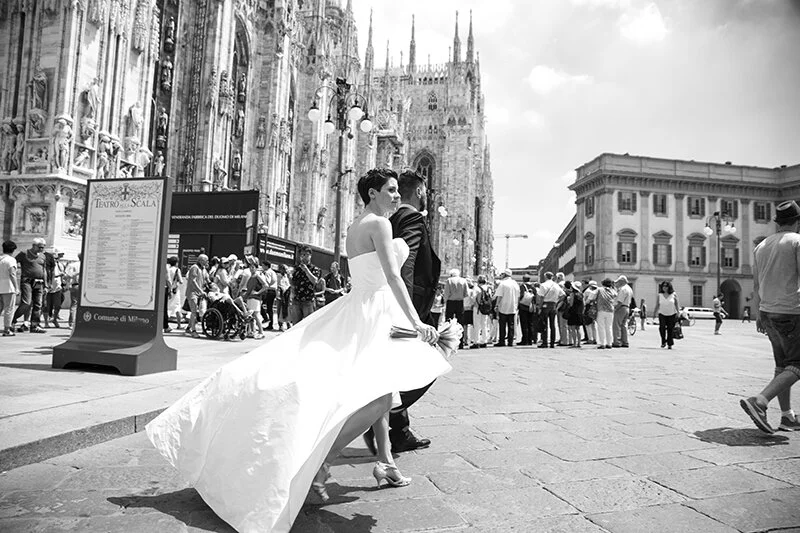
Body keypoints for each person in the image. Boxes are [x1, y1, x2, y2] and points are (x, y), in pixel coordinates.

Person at [146, 168, 450, 532]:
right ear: (372, 193)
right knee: (381, 396)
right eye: (391, 190)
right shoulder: (381, 225)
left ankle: (385, 462)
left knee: (380, 390)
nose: (397, 196)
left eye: (399, 190)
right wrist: (416, 321)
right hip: (377, 312)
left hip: (360, 308)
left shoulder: (354, 227)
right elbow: (393, 276)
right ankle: (323, 461)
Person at [380, 168, 442, 454]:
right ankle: (382, 409)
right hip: (409, 305)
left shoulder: (389, 219)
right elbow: (405, 260)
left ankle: (398, 431)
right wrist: (408, 315)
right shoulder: (413, 218)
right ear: (418, 191)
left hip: (394, 302)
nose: (426, 195)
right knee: (433, 360)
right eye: (425, 191)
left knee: (396, 366)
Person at [740, 200, 800, 434]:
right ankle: (760, 401)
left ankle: (787, 416)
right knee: (797, 364)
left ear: (777, 222)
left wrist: (758, 314)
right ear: (797, 221)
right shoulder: (796, 242)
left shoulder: (762, 245)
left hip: (767, 312)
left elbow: (756, 285)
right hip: (791, 311)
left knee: (782, 365)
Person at [12, 238, 48, 333]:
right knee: (26, 303)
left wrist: (46, 284)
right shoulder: (24, 254)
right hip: (27, 281)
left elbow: (44, 270)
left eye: (43, 247)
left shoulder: (43, 256)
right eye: (40, 247)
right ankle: (13, 320)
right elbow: (13, 263)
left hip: (39, 282)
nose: (41, 249)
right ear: (34, 246)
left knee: (38, 304)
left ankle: (34, 325)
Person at [291, 245, 321, 323]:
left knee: (308, 324)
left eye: (306, 255)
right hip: (296, 300)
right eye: (302, 255)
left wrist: (306, 270)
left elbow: (315, 281)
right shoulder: (297, 268)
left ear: (310, 255)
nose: (303, 257)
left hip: (308, 300)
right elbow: (293, 283)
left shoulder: (315, 269)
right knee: (296, 324)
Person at [537, 271, 563, 348]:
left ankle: (545, 342)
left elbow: (541, 297)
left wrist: (539, 307)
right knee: (552, 325)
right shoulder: (556, 285)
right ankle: (552, 343)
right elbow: (563, 295)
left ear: (545, 277)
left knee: (544, 324)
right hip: (553, 305)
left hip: (545, 305)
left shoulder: (543, 285)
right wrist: (557, 301)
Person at [185, 254, 209, 337]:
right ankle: (193, 331)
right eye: (206, 260)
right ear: (201, 260)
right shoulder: (194, 268)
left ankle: (188, 328)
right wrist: (201, 291)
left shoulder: (203, 269)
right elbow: (193, 281)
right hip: (192, 293)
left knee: (195, 311)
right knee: (194, 312)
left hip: (199, 293)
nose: (207, 262)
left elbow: (207, 279)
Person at [494, 269, 519, 347]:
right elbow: (518, 296)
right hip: (512, 306)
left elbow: (499, 296)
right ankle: (510, 341)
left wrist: (496, 305)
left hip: (503, 306)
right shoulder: (515, 283)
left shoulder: (502, 283)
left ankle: (502, 341)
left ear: (505, 275)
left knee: (502, 325)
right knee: (511, 325)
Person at [242, 257, 265, 339]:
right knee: (251, 315)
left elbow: (265, 285)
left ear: (256, 268)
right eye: (250, 267)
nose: (251, 269)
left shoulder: (257, 276)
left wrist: (257, 292)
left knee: (256, 315)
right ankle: (252, 331)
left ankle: (261, 332)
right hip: (250, 298)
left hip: (255, 298)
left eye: (253, 267)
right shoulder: (251, 276)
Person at [653, 281, 679, 349]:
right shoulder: (660, 295)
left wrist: (678, 313)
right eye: (663, 286)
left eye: (666, 286)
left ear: (669, 287)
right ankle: (663, 341)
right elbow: (657, 304)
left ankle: (670, 343)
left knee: (670, 328)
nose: (664, 287)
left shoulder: (673, 294)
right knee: (662, 327)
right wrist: (654, 313)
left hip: (672, 314)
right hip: (662, 313)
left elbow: (676, 304)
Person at [42, 248, 65, 328]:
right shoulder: (46, 265)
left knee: (58, 304)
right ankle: (46, 322)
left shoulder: (60, 264)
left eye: (57, 258)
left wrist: (63, 283)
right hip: (48, 285)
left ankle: (54, 318)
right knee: (46, 305)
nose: (56, 259)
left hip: (57, 286)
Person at [1, 240, 18, 336]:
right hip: (8, 286)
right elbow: (12, 274)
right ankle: (7, 329)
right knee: (9, 309)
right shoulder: (11, 260)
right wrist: (16, 287)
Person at [612, 275, 633, 348]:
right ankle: (625, 341)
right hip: (627, 307)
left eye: (617, 282)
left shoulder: (623, 289)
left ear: (621, 282)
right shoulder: (629, 288)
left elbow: (620, 301)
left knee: (616, 325)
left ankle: (617, 341)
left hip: (621, 307)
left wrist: (615, 309)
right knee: (623, 325)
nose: (616, 284)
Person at [595, 278, 616, 349]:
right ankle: (609, 343)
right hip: (610, 310)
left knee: (601, 327)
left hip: (601, 309)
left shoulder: (599, 289)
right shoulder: (613, 291)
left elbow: (593, 296)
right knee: (609, 327)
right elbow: (615, 296)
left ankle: (602, 343)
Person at [472, 275, 491, 348]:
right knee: (484, 324)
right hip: (486, 308)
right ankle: (484, 341)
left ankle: (476, 341)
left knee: (477, 325)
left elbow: (473, 298)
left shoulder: (476, 288)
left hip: (478, 308)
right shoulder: (488, 288)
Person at [166, 256, 184, 333]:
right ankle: (179, 325)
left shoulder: (168, 269)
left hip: (168, 290)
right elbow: (181, 281)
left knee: (168, 307)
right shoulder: (177, 270)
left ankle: (165, 324)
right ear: (176, 262)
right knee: (177, 307)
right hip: (175, 291)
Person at [518, 274, 536, 346]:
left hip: (523, 307)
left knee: (524, 324)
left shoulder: (522, 286)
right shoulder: (533, 287)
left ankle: (525, 340)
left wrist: (518, 302)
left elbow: (521, 295)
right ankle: (530, 340)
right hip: (531, 307)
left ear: (523, 279)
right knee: (530, 323)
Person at [566, 281, 584, 348]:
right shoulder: (581, 294)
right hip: (579, 312)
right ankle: (579, 343)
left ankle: (574, 343)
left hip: (573, 312)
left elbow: (571, 304)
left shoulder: (572, 294)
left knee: (573, 329)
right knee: (578, 328)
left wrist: (568, 300)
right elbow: (583, 304)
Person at [65, 253, 81, 328]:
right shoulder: (87, 265)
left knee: (74, 304)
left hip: (75, 285)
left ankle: (72, 323)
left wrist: (68, 285)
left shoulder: (72, 265)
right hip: (83, 286)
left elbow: (67, 276)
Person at [261, 262, 278, 329]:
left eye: (263, 265)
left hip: (269, 290)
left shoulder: (267, 272)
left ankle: (266, 318)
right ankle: (270, 323)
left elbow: (268, 281)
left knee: (261, 305)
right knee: (269, 308)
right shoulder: (273, 272)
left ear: (266, 266)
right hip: (273, 291)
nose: (262, 267)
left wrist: (266, 285)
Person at [276, 264, 291, 331]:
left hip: (287, 295)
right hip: (280, 294)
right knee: (279, 310)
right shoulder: (278, 276)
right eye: (284, 269)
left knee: (287, 309)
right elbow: (278, 285)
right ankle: (280, 324)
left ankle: (288, 323)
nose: (285, 270)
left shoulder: (287, 276)